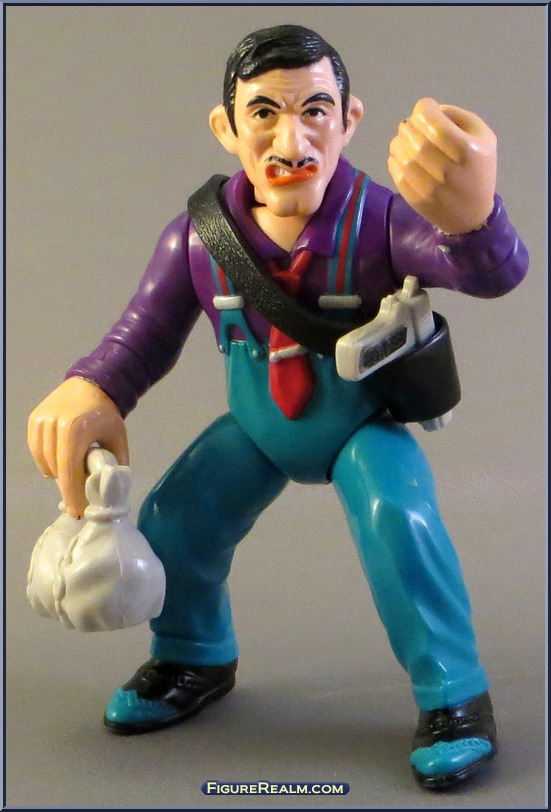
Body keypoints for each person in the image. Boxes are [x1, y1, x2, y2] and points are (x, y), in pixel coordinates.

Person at [27, 25, 528, 789]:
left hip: (358, 424)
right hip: (258, 424)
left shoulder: (381, 222)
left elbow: (489, 275)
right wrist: (91, 386)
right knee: (175, 519)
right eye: (263, 113)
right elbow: (143, 334)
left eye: (314, 111)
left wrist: (472, 216)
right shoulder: (198, 240)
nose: (290, 141)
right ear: (225, 127)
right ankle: (192, 655)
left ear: (348, 120)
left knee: (400, 522)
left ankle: (453, 695)